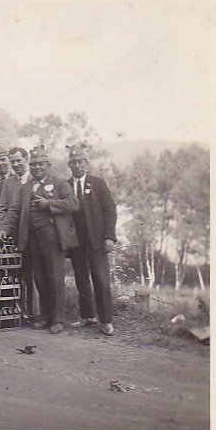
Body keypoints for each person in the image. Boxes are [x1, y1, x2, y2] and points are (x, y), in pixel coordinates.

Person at [0, 145, 79, 334]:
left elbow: (73, 203)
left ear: (48, 165)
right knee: (40, 278)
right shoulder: (26, 187)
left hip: (52, 238)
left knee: (56, 278)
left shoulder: (60, 184)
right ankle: (46, 315)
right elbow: (15, 210)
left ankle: (58, 320)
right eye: (34, 165)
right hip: (32, 239)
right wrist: (4, 228)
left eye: (40, 164)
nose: (37, 168)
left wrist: (49, 204)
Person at [66, 144, 118, 336]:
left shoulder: (98, 183)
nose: (77, 166)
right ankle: (87, 316)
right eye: (73, 163)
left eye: (81, 162)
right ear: (69, 165)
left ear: (87, 163)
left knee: (101, 280)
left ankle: (106, 321)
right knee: (81, 279)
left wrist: (109, 237)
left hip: (97, 242)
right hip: (76, 243)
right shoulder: (65, 186)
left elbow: (110, 210)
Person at [0, 146, 36, 323]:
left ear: (26, 159)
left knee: (34, 275)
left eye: (19, 161)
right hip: (14, 235)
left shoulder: (35, 179)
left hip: (35, 234)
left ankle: (36, 311)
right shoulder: (9, 182)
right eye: (13, 162)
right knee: (17, 274)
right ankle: (19, 311)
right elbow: (2, 208)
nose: (16, 164)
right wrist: (3, 228)